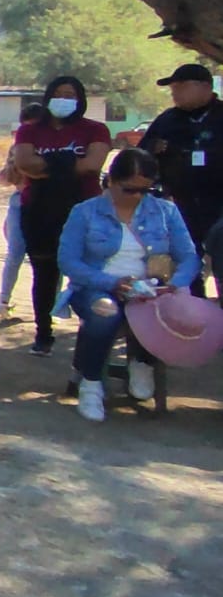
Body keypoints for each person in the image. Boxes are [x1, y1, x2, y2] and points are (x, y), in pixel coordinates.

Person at [59, 148, 199, 421]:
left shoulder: (165, 211)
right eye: (129, 189)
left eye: (145, 190)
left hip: (151, 288)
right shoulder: (85, 212)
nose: (137, 196)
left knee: (159, 310)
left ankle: (142, 362)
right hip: (98, 287)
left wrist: (174, 284)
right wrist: (111, 282)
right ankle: (91, 384)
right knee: (104, 312)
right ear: (111, 181)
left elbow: (189, 257)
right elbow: (68, 261)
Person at [14, 76, 112, 357]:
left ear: (80, 100)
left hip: (84, 210)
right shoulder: (29, 130)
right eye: (58, 94)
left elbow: (92, 165)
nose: (64, 99)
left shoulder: (95, 129)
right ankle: (43, 333)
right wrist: (69, 163)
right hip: (39, 211)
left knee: (90, 272)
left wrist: (47, 165)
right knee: (44, 273)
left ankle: (92, 332)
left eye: (70, 95)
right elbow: (25, 163)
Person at [139, 63, 223, 297]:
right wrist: (153, 148)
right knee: (187, 260)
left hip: (219, 203)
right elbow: (140, 155)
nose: (175, 93)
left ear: (205, 87)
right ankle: (194, 305)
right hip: (182, 203)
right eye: (173, 88)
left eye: (181, 87)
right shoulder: (168, 120)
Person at [0, 104, 47, 319]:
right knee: (14, 253)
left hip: (47, 204)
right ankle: (3, 300)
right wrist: (14, 166)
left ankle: (49, 306)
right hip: (20, 203)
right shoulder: (18, 148)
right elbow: (5, 179)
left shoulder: (51, 147)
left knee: (48, 258)